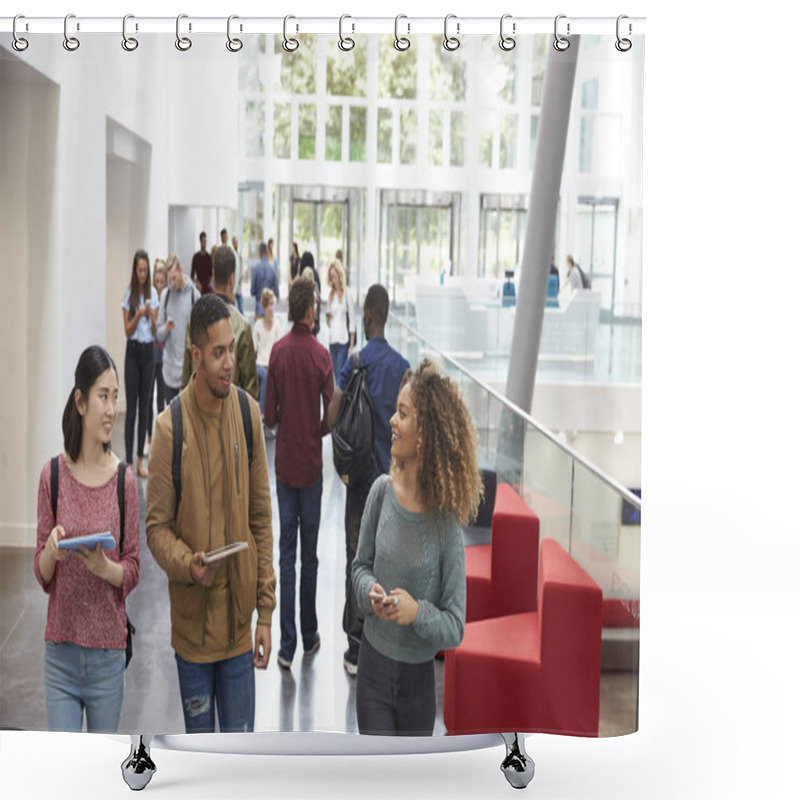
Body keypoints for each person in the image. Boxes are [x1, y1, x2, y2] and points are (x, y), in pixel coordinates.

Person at [146, 294, 276, 734]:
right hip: (193, 639)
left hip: (240, 633)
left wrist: (267, 613)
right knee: (200, 766)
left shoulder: (247, 414)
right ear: (195, 353)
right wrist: (187, 564)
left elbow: (261, 519)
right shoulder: (169, 430)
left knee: (240, 766)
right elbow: (156, 529)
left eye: (231, 350)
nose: (228, 364)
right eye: (217, 353)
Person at [352, 359, 483, 736]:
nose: (392, 420)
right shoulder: (380, 494)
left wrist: (416, 613)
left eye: (403, 414)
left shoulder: (445, 524)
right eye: (396, 411)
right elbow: (359, 568)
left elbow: (455, 626)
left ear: (426, 433)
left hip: (417, 687)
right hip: (372, 672)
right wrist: (368, 591)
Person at [34, 345, 140, 732]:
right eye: (103, 396)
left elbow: (133, 568)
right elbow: (42, 575)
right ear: (80, 401)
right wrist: (50, 552)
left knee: (98, 778)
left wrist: (104, 568)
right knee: (65, 775)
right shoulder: (53, 477)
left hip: (108, 658)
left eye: (115, 397)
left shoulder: (124, 480)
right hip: (59, 654)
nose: (111, 409)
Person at [327, 283, 410, 676]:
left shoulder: (355, 360)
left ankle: (356, 647)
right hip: (394, 481)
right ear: (386, 315)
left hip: (360, 481)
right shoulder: (403, 368)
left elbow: (334, 411)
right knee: (391, 560)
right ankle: (387, 643)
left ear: (367, 315)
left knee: (357, 560)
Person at [264, 278, 334, 669]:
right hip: (311, 466)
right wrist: (319, 428)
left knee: (285, 556)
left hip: (285, 467)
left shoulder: (277, 353)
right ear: (310, 310)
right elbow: (332, 409)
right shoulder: (322, 356)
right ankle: (309, 635)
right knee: (311, 556)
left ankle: (285, 645)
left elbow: (269, 415)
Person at [182, 245, 258, 401]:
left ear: (213, 274)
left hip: (197, 417)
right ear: (232, 278)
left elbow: (186, 379)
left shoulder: (194, 322)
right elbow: (250, 391)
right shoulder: (242, 327)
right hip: (231, 419)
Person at [121, 249, 159, 478]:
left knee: (145, 407)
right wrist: (138, 314)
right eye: (140, 270)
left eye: (146, 270)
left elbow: (155, 331)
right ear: (135, 271)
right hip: (133, 352)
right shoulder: (129, 295)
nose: (143, 274)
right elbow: (127, 330)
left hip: (148, 352)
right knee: (131, 410)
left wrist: (153, 317)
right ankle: (127, 462)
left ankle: (139, 460)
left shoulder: (153, 293)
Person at [157, 253, 201, 406]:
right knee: (173, 425)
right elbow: (159, 335)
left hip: (188, 373)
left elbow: (201, 336)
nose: (172, 283)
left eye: (174, 278)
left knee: (188, 424)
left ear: (181, 270)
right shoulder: (165, 295)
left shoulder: (194, 296)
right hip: (169, 372)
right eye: (170, 279)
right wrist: (167, 329)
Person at [145, 259, 168, 456]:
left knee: (161, 400)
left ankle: (160, 439)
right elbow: (152, 332)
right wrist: (153, 320)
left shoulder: (168, 303)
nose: (159, 286)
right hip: (151, 355)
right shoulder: (151, 302)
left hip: (164, 357)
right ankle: (149, 438)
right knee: (148, 398)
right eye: (157, 282)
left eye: (162, 282)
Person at [325, 258, 356, 385]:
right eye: (331, 277)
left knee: (340, 378)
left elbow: (352, 321)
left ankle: (339, 404)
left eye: (335, 277)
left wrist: (351, 346)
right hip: (333, 341)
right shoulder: (330, 295)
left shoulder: (347, 293)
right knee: (334, 375)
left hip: (343, 340)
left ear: (340, 276)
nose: (333, 280)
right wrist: (328, 319)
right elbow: (329, 322)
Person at [253, 287, 281, 421]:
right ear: (264, 306)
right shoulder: (257, 325)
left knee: (271, 374)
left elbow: (279, 348)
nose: (271, 308)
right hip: (260, 364)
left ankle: (271, 410)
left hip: (272, 364)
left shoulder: (277, 325)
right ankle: (263, 412)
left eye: (272, 304)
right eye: (268, 304)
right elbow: (253, 349)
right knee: (265, 376)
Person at [251, 240, 280, 319]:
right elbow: (277, 291)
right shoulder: (272, 269)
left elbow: (252, 291)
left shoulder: (256, 269)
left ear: (260, 253)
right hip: (269, 311)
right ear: (267, 253)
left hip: (258, 310)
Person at [302, 266, 321, 337]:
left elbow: (318, 325)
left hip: (311, 336)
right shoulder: (299, 298)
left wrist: (313, 326)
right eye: (305, 280)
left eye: (308, 281)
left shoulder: (315, 300)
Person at [232, 234, 244, 313]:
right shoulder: (232, 255)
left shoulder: (239, 256)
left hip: (238, 286)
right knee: (232, 309)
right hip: (232, 286)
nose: (236, 244)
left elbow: (241, 269)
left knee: (241, 309)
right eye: (235, 242)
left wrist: (240, 278)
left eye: (237, 242)